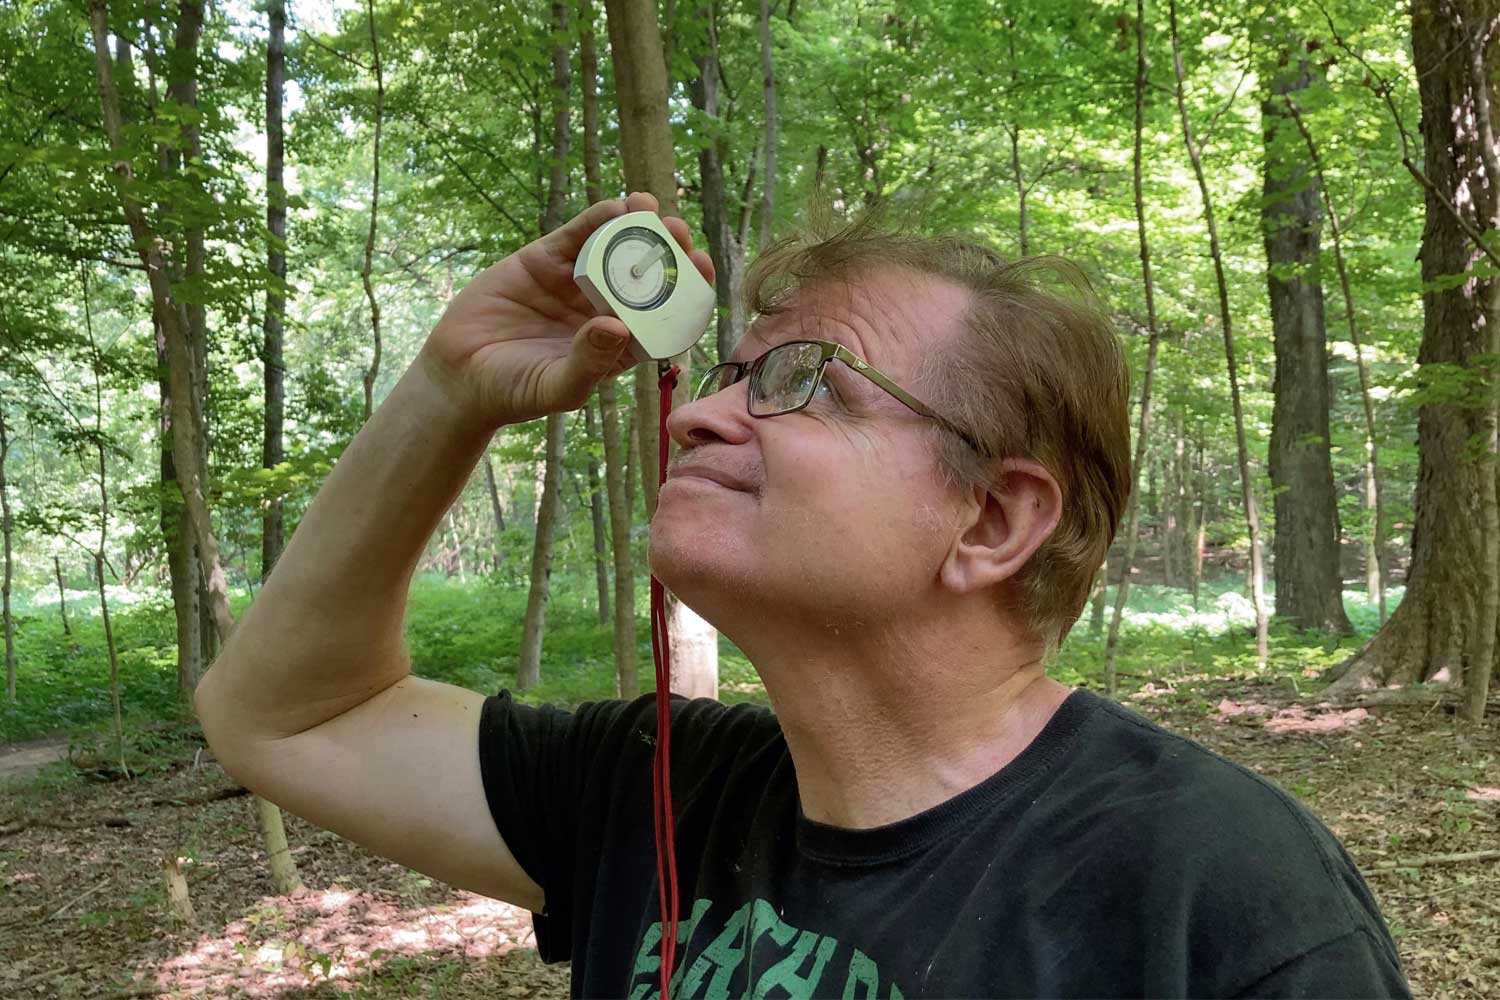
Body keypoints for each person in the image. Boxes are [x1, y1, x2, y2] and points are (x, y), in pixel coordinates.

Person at [195, 191, 1411, 999]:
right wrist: (451, 387)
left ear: (989, 520)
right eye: (724, 371)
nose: (697, 410)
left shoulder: (1217, 889)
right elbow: (284, 715)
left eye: (800, 379)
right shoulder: (655, 790)